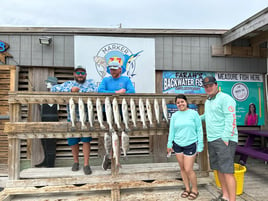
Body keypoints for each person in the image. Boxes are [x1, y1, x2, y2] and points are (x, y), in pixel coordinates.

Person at [51, 66, 97, 175]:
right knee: (73, 141)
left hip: (86, 118)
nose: (80, 75)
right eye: (78, 73)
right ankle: (76, 162)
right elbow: (53, 89)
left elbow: (95, 90)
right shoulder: (68, 84)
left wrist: (80, 91)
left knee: (86, 140)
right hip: (71, 118)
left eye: (82, 73)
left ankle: (86, 164)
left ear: (85, 75)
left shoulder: (91, 83)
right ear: (74, 75)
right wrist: (70, 90)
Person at [200, 76, 238, 201]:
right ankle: (225, 196)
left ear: (216, 85)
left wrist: (226, 138)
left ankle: (232, 199)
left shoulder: (226, 99)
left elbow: (230, 118)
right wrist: (194, 118)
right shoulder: (208, 101)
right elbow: (207, 115)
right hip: (212, 139)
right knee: (219, 169)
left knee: (227, 171)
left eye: (210, 85)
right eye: (206, 86)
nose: (208, 88)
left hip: (224, 139)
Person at [98, 60, 135, 170]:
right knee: (108, 134)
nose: (112, 70)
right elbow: (100, 91)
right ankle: (109, 156)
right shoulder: (105, 79)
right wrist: (118, 92)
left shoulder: (126, 79)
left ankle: (116, 158)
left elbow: (132, 91)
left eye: (114, 68)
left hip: (121, 111)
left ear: (120, 69)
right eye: (111, 68)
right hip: (107, 111)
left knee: (120, 135)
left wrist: (115, 92)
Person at [167, 94, 203, 200]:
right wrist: (169, 144)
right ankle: (187, 188)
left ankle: (195, 189)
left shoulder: (194, 114)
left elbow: (199, 130)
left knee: (188, 169)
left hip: (191, 144)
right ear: (176, 104)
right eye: (178, 103)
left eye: (182, 102)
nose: (180, 104)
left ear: (186, 102)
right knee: (182, 168)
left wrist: (200, 145)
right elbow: (172, 131)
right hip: (177, 145)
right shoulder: (174, 116)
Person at [35, 76, 58, 168]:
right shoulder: (44, 97)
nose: (46, 85)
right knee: (43, 141)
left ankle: (50, 164)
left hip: (53, 122)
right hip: (44, 121)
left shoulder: (57, 97)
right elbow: (41, 108)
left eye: (48, 83)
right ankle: (45, 160)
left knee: (51, 142)